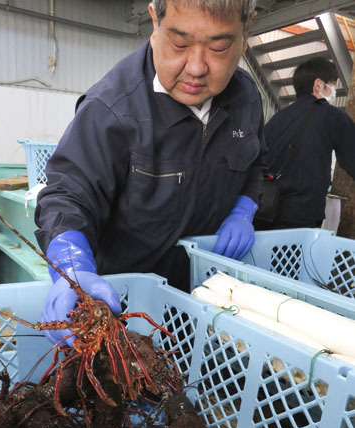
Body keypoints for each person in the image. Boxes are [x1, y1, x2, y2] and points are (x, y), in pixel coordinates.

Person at [35, 0, 267, 346]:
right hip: (121, 309)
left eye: (219, 47)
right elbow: (68, 194)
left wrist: (243, 209)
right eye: (179, 44)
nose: (197, 67)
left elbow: (256, 163)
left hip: (204, 302)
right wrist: (71, 264)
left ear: (246, 31)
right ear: (155, 20)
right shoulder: (112, 108)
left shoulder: (245, 96)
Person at [256, 56, 355, 230]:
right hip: (300, 218)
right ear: (318, 85)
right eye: (332, 84)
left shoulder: (278, 118)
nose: (335, 90)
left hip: (263, 209)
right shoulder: (333, 117)